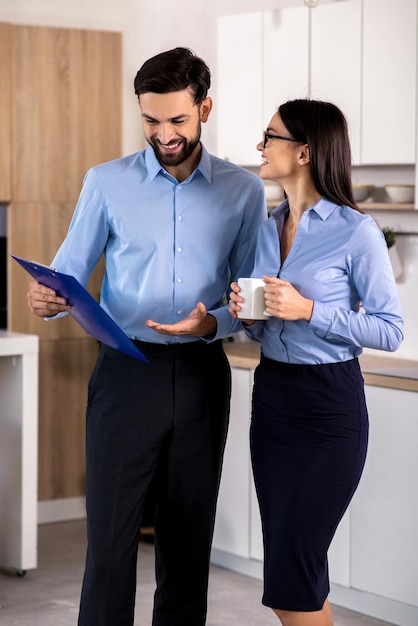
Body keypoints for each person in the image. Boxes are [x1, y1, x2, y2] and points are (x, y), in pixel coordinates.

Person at [26, 47, 267, 626]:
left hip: (204, 376)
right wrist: (48, 299)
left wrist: (214, 321)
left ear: (204, 108)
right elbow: (67, 276)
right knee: (110, 543)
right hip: (124, 373)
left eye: (178, 120)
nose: (164, 134)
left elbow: (253, 299)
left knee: (186, 544)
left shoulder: (244, 191)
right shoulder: (106, 182)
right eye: (151, 121)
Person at [229, 99, 403, 626]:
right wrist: (245, 312)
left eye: (271, 136)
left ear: (304, 151)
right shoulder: (266, 227)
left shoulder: (357, 232)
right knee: (292, 565)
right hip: (274, 400)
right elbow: (260, 325)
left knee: (293, 573)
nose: (260, 145)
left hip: (329, 407)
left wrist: (309, 310)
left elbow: (390, 329)